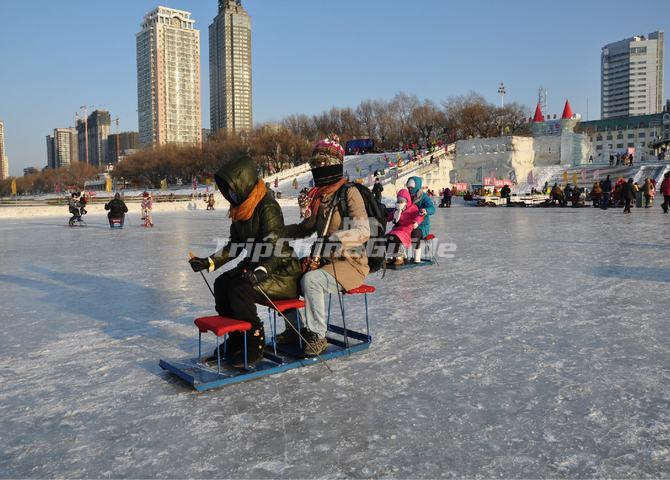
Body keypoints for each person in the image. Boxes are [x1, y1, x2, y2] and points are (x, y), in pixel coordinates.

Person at [188, 153, 302, 367]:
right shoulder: (240, 210)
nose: (230, 194)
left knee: (240, 288)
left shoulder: (267, 207)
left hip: (281, 272)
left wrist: (261, 271)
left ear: (243, 183)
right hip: (255, 267)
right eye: (227, 190)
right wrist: (208, 262)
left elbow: (276, 248)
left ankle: (254, 339)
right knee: (222, 284)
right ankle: (237, 338)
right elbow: (235, 245)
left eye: (232, 189)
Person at [284, 136, 370, 356]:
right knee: (288, 276)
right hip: (324, 261)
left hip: (350, 264)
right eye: (316, 164)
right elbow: (306, 229)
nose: (319, 168)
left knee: (311, 281)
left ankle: (317, 336)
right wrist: (277, 231)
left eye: (323, 163)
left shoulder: (349, 192)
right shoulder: (320, 196)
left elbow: (363, 231)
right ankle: (294, 328)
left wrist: (336, 239)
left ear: (335, 163)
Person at [386, 189, 424, 265]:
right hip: (397, 229)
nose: (400, 202)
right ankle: (391, 257)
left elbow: (419, 215)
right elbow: (390, 217)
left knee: (397, 238)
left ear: (407, 201)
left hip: (407, 229)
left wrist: (417, 222)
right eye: (398, 200)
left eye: (402, 201)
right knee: (389, 238)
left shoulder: (412, 208)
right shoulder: (397, 209)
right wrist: (384, 217)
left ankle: (400, 257)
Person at [405, 175, 435, 262]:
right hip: (409, 224)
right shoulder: (407, 197)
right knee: (399, 232)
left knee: (415, 234)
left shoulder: (424, 197)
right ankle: (400, 256)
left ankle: (416, 257)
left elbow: (432, 209)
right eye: (408, 187)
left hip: (422, 226)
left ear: (416, 186)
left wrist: (426, 210)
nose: (410, 189)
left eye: (411, 187)